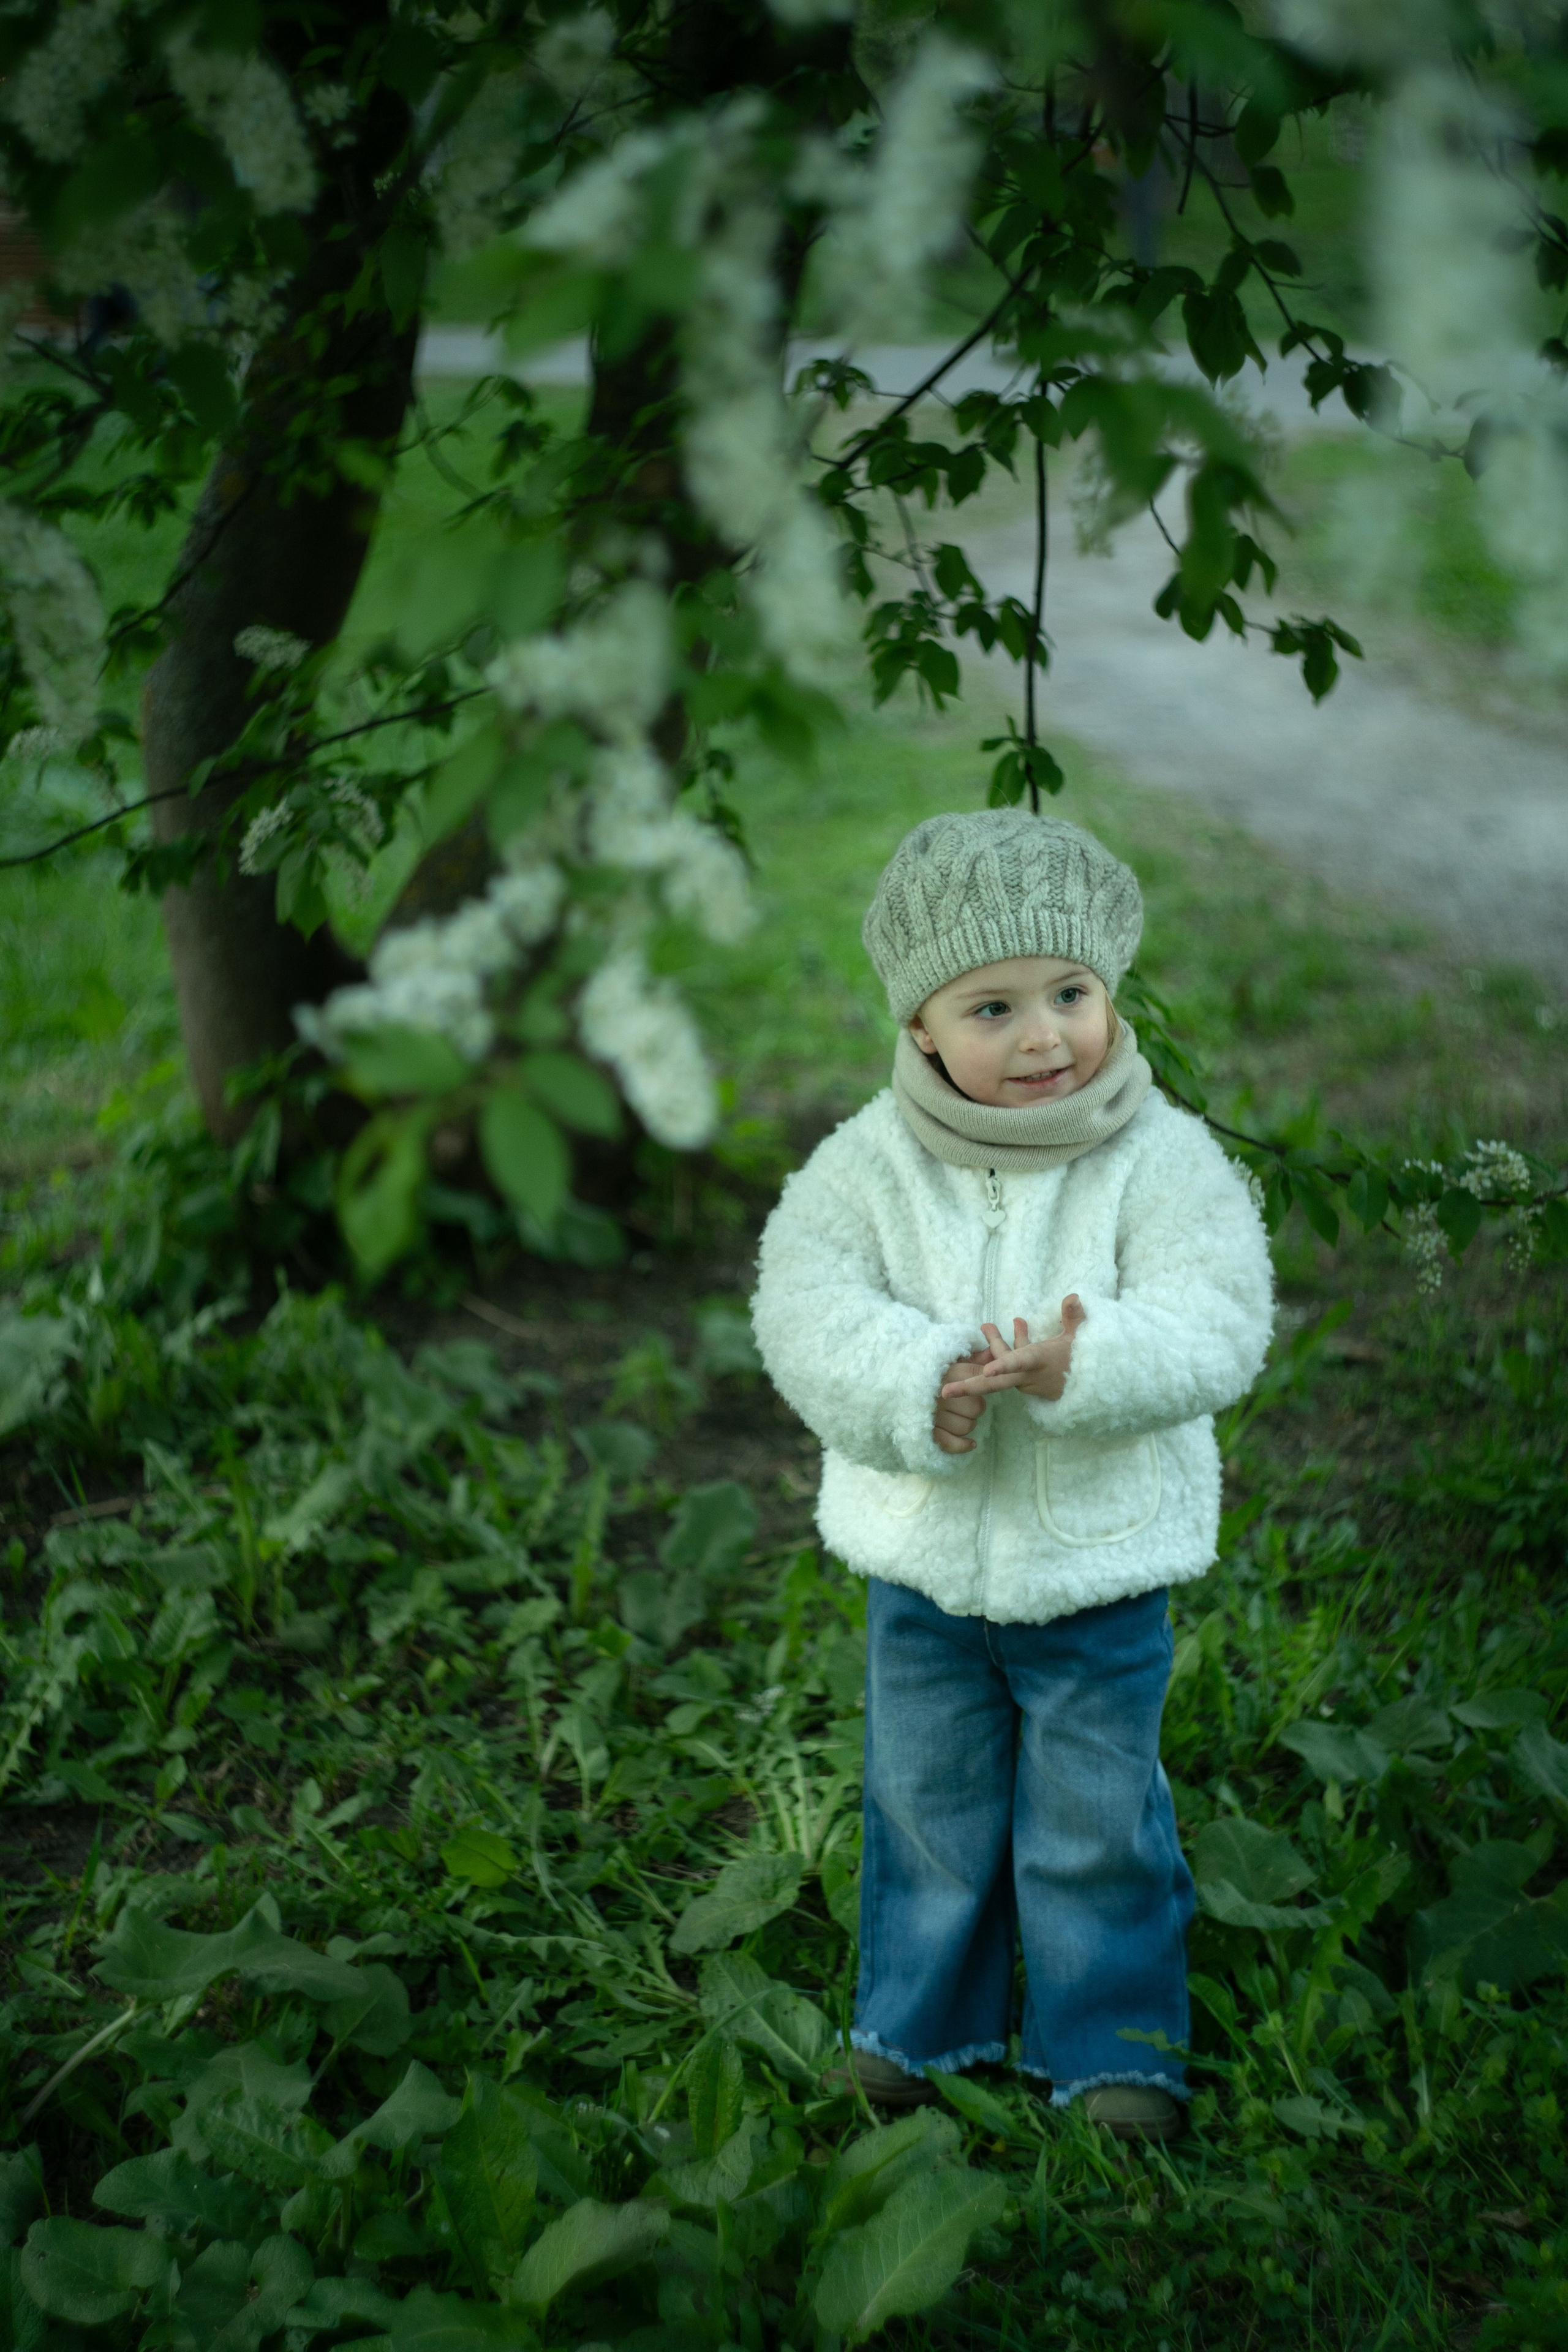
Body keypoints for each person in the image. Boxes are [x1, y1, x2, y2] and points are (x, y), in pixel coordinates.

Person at [751, 808, 1273, 2141]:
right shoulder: (869, 1166)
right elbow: (800, 1302)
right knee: (924, 1806)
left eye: (1070, 993)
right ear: (923, 1028)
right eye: (994, 1007)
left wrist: (1086, 1360)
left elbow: (1221, 1313)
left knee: (1096, 1820)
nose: (1046, 1037)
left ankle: (1112, 2050)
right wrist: (911, 1375)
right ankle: (918, 2029)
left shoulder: (1157, 1158)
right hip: (923, 1570)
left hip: (1098, 1570)